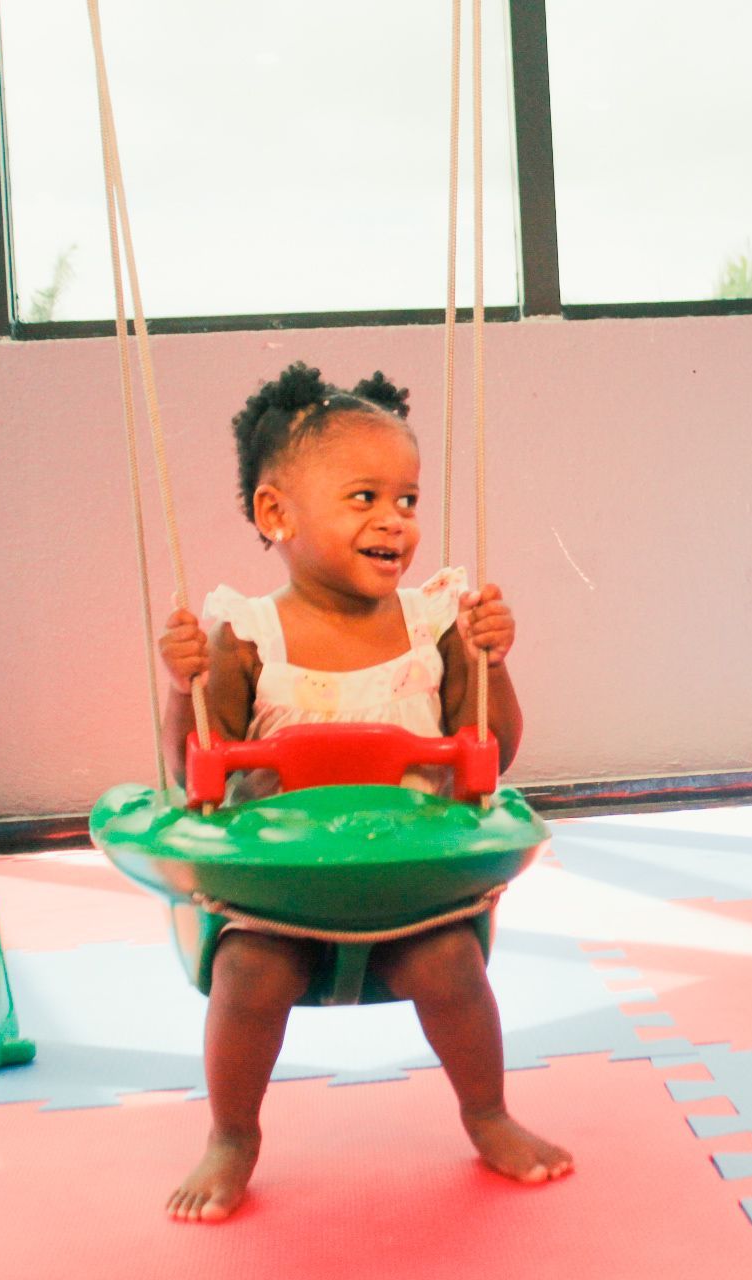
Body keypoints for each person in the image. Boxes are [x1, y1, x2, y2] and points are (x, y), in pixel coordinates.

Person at [156, 361, 572, 1222]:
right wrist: (182, 687)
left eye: (408, 500)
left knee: (452, 964)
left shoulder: (436, 624)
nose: (395, 520)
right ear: (277, 514)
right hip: (282, 897)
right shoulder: (245, 636)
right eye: (364, 498)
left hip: (411, 892)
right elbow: (195, 770)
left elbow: (491, 751)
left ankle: (487, 1112)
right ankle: (233, 1134)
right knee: (246, 974)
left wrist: (494, 663)